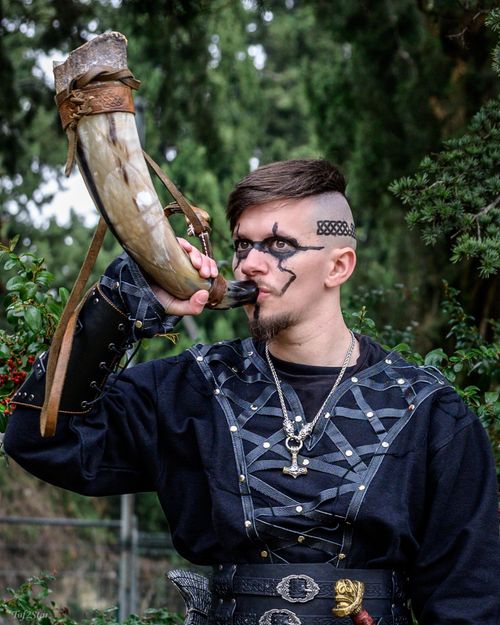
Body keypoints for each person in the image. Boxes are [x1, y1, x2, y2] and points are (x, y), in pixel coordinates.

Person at [4, 160, 499, 625]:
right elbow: (41, 438)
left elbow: (468, 600)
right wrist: (124, 300)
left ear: (338, 266)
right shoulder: (192, 388)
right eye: (243, 245)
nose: (249, 265)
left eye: (279, 245)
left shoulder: (427, 409)